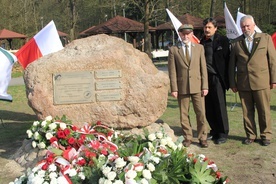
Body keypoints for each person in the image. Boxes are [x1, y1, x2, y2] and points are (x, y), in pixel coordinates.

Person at [229, 15, 276, 146]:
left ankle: (266, 135)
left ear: (254, 25)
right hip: (244, 83)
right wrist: (233, 82)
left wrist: (274, 79)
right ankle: (251, 135)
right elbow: (232, 65)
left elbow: (272, 61)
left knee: (264, 110)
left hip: (262, 81)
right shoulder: (235, 42)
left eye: (248, 25)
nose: (245, 28)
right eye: (243, 26)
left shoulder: (265, 38)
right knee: (247, 111)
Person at [168, 24, 209, 148]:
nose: (186, 36)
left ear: (192, 34)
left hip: (198, 86)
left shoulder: (199, 48)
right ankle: (188, 137)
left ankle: (202, 137)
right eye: (183, 34)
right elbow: (172, 71)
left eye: (188, 34)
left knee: (201, 113)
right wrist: (174, 88)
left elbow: (203, 68)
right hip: (182, 87)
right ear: (179, 34)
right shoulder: (174, 50)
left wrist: (205, 86)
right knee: (184, 114)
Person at [200, 18, 230, 144]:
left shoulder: (223, 41)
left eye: (209, 27)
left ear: (215, 28)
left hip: (217, 77)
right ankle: (214, 130)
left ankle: (223, 133)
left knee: (219, 105)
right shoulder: (202, 41)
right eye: (205, 27)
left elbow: (228, 60)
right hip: (205, 79)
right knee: (209, 106)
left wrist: (228, 79)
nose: (207, 29)